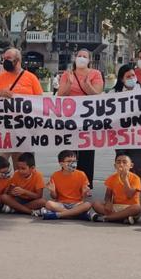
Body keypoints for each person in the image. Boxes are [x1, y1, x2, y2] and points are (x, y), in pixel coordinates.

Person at [57, 48, 104, 182]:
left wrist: (87, 84)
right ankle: (68, 180)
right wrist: (69, 83)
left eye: (85, 56)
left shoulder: (95, 74)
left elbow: (96, 94)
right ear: (75, 58)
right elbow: (60, 95)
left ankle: (86, 183)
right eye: (79, 56)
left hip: (88, 117)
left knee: (87, 149)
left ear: (89, 60)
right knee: (69, 149)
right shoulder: (67, 74)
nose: (81, 58)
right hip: (70, 117)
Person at [112, 64, 141, 189]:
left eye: (133, 75)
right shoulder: (114, 93)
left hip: (138, 135)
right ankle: (121, 189)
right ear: (122, 79)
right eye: (128, 76)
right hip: (120, 136)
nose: (132, 78)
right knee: (122, 164)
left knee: (138, 165)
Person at [33, 150, 93, 220]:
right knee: (48, 203)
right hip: (61, 204)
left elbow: (83, 197)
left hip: (77, 204)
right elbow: (54, 197)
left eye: (74, 161)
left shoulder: (81, 174)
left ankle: (58, 215)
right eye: (69, 161)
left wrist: (85, 192)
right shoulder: (55, 175)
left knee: (88, 204)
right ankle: (78, 215)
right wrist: (52, 191)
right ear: (61, 164)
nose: (72, 163)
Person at [89, 153, 141, 224]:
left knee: (137, 208)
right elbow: (108, 196)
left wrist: (125, 180)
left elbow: (129, 195)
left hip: (129, 207)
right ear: (115, 166)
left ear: (131, 165)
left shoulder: (136, 178)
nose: (121, 165)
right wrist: (108, 203)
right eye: (118, 162)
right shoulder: (112, 178)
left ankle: (107, 218)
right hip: (116, 207)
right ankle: (121, 218)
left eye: (124, 162)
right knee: (96, 204)